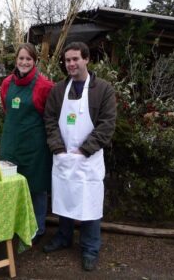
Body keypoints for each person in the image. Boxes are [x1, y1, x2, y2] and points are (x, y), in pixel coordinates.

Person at [43, 42, 116, 271]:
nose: (71, 64)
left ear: (86, 59)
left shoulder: (103, 90)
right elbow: (50, 120)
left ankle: (90, 248)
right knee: (65, 197)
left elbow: (107, 125)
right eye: (67, 60)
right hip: (63, 156)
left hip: (88, 159)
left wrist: (85, 149)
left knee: (89, 203)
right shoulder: (58, 90)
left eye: (75, 59)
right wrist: (58, 148)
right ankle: (64, 237)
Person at [0, 43, 54, 244]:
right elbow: (7, 108)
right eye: (21, 58)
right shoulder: (6, 83)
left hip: (35, 146)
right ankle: (14, 225)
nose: (24, 62)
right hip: (11, 142)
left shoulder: (45, 86)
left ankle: (37, 229)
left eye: (28, 59)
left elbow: (51, 116)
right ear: (16, 61)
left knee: (37, 188)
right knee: (11, 185)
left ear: (35, 62)